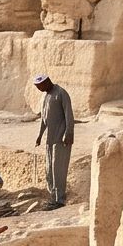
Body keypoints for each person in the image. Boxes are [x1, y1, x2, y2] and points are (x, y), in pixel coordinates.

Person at [32, 75, 76, 209]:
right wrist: (39, 135)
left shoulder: (61, 93)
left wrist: (69, 134)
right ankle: (52, 198)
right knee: (49, 170)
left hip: (61, 140)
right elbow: (43, 119)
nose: (39, 89)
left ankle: (60, 200)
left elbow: (69, 115)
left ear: (47, 82)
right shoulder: (45, 96)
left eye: (40, 86)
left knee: (58, 170)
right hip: (49, 140)